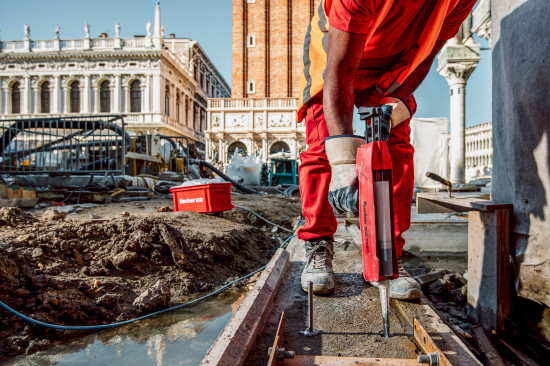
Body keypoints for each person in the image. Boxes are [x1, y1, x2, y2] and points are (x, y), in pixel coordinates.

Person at [297, 0, 477, 298]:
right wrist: (343, 163)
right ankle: (318, 241)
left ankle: (387, 256)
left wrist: (395, 102)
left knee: (395, 150)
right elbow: (340, 69)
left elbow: (426, 54)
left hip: (394, 67)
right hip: (336, 54)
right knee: (322, 141)